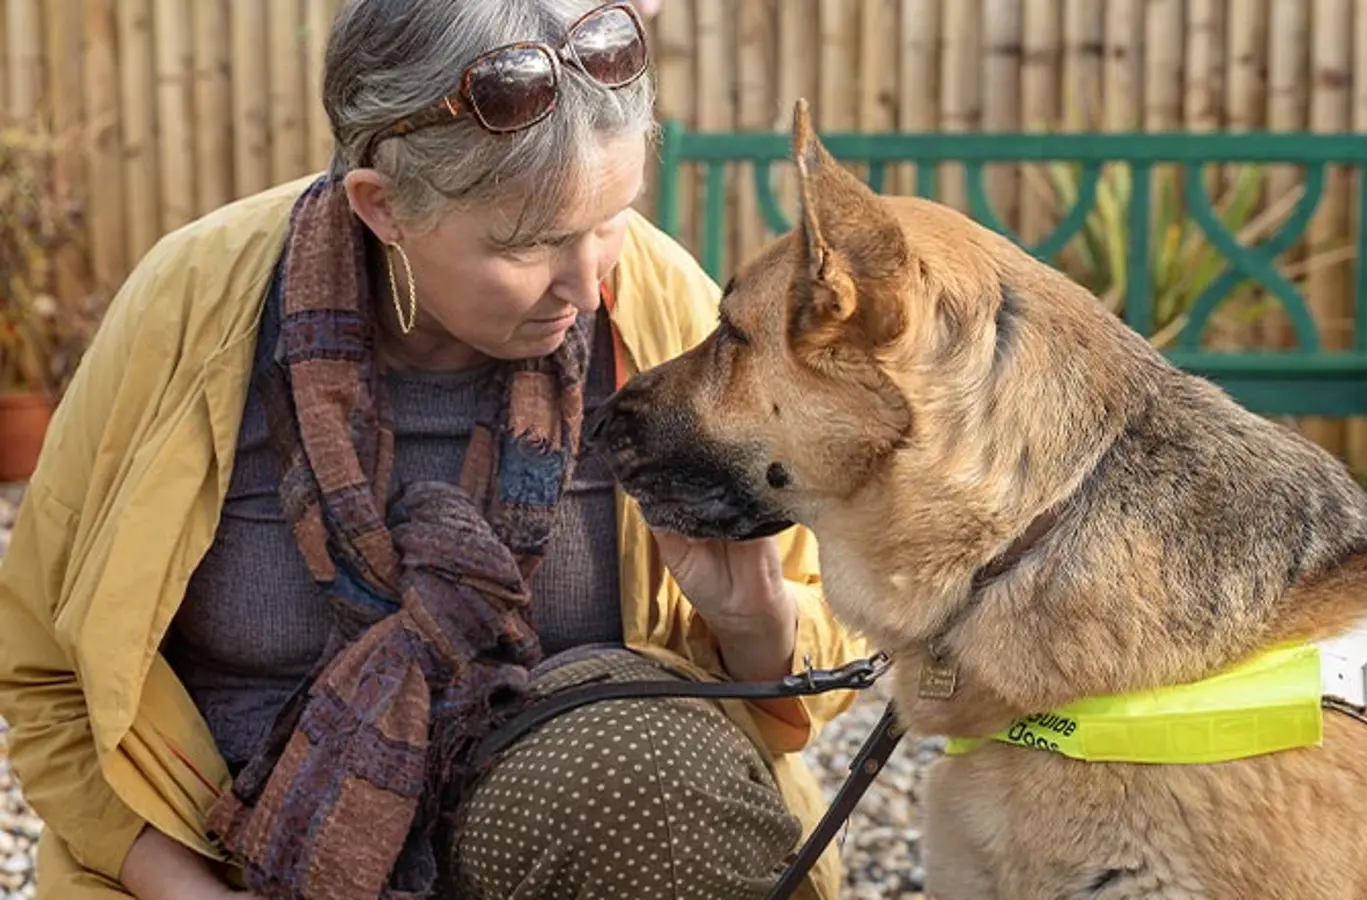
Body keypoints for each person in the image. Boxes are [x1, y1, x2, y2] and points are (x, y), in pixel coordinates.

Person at [0, 1, 867, 898]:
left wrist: (753, 624)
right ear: (382, 209)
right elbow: (44, 678)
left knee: (648, 769)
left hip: (572, 861)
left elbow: (822, 655)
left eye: (612, 217)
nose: (588, 279)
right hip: (235, 863)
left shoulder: (660, 313)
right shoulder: (186, 314)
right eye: (528, 243)